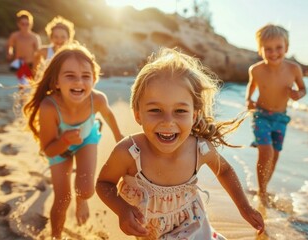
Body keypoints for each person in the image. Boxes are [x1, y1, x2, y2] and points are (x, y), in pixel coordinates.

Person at [96, 48, 264, 239]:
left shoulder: (200, 149)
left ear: (194, 115)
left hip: (194, 226)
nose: (168, 121)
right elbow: (104, 184)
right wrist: (122, 210)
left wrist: (244, 208)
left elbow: (223, 170)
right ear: (137, 114)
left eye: (180, 111)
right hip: (150, 233)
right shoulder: (129, 152)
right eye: (155, 110)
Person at [23, 42, 124, 239]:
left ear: (94, 80)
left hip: (87, 139)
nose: (79, 82)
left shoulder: (98, 100)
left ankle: (81, 200)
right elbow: (49, 150)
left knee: (85, 190)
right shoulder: (49, 106)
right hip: (58, 146)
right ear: (56, 82)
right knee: (62, 200)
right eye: (70, 76)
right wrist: (65, 141)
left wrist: (119, 138)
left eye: (86, 76)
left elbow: (110, 117)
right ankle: (56, 236)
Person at [245, 24, 306, 205]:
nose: (274, 53)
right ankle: (262, 192)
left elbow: (303, 88)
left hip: (280, 118)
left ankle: (263, 187)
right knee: (266, 152)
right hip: (261, 115)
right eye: (268, 49)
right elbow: (252, 85)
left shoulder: (294, 69)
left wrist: (298, 95)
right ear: (260, 50)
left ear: (286, 47)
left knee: (275, 156)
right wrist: (248, 99)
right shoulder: (255, 70)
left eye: (278, 48)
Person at [7, 10, 41, 87]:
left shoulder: (34, 37)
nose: (25, 26)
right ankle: (21, 98)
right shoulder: (15, 36)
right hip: (20, 63)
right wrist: (10, 52)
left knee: (32, 85)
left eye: (27, 24)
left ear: (31, 24)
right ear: (18, 24)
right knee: (22, 85)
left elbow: (38, 52)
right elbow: (10, 46)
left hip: (31, 64)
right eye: (23, 24)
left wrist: (37, 65)